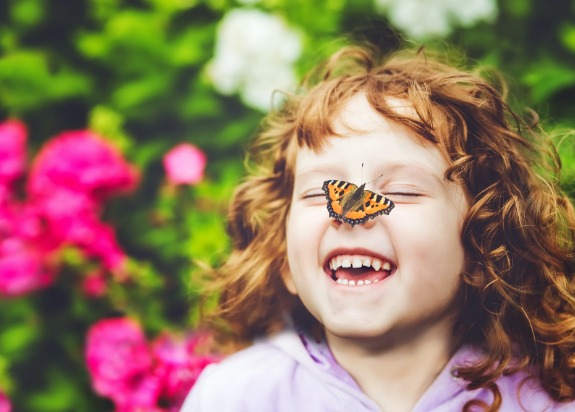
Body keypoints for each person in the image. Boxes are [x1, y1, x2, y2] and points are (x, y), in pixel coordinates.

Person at [181, 44, 575, 411]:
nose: (350, 214)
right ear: (283, 258)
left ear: (482, 247)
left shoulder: (543, 400)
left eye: (402, 192)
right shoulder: (236, 397)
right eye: (322, 193)